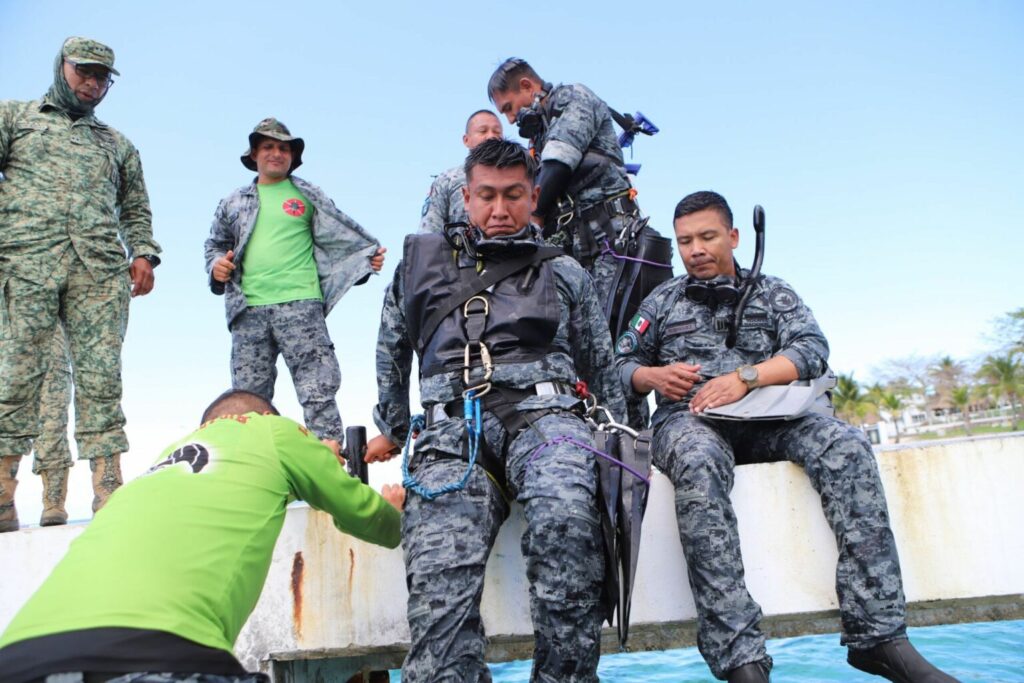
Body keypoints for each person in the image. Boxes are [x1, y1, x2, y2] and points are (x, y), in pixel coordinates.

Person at [613, 191, 958, 683]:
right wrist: (653, 377)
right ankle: (740, 658)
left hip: (771, 418)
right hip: (691, 421)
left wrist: (747, 377)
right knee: (696, 461)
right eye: (686, 241)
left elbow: (812, 348)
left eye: (708, 237)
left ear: (732, 237)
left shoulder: (772, 292)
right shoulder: (662, 300)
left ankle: (880, 636)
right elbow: (620, 362)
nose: (696, 250)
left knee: (846, 445)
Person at [365, 138, 626, 682]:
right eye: (486, 196)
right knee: (439, 577)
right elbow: (390, 351)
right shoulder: (417, 268)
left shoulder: (565, 272)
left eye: (513, 195)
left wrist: (622, 445)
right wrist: (392, 425)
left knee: (568, 522)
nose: (500, 210)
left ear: (534, 197)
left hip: (547, 422)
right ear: (466, 196)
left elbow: (599, 369)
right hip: (451, 434)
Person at [0, 389, 405, 683]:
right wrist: (393, 508)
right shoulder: (275, 431)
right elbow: (372, 520)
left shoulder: (167, 458)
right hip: (155, 654)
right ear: (265, 415)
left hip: (20, 656)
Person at [0, 37, 161, 532]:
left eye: (102, 78)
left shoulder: (117, 145)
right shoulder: (15, 118)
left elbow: (135, 207)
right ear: (61, 68)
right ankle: (4, 494)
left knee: (101, 380)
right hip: (27, 261)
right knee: (16, 376)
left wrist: (143, 254)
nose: (93, 84)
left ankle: (108, 491)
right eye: (84, 72)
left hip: (98, 272)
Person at [204, 118, 386, 444]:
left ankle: (327, 473)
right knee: (248, 402)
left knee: (318, 391)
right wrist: (217, 267)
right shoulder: (233, 202)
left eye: (284, 148)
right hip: (248, 311)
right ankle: (253, 472)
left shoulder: (308, 195)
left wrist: (363, 263)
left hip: (302, 306)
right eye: (269, 147)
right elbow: (215, 245)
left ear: (292, 156)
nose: (276, 153)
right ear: (255, 154)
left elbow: (340, 242)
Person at [419, 109, 503, 233]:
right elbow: (428, 234)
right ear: (466, 140)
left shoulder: (518, 177)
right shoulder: (447, 180)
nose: (491, 136)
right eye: (483, 131)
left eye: (497, 132)